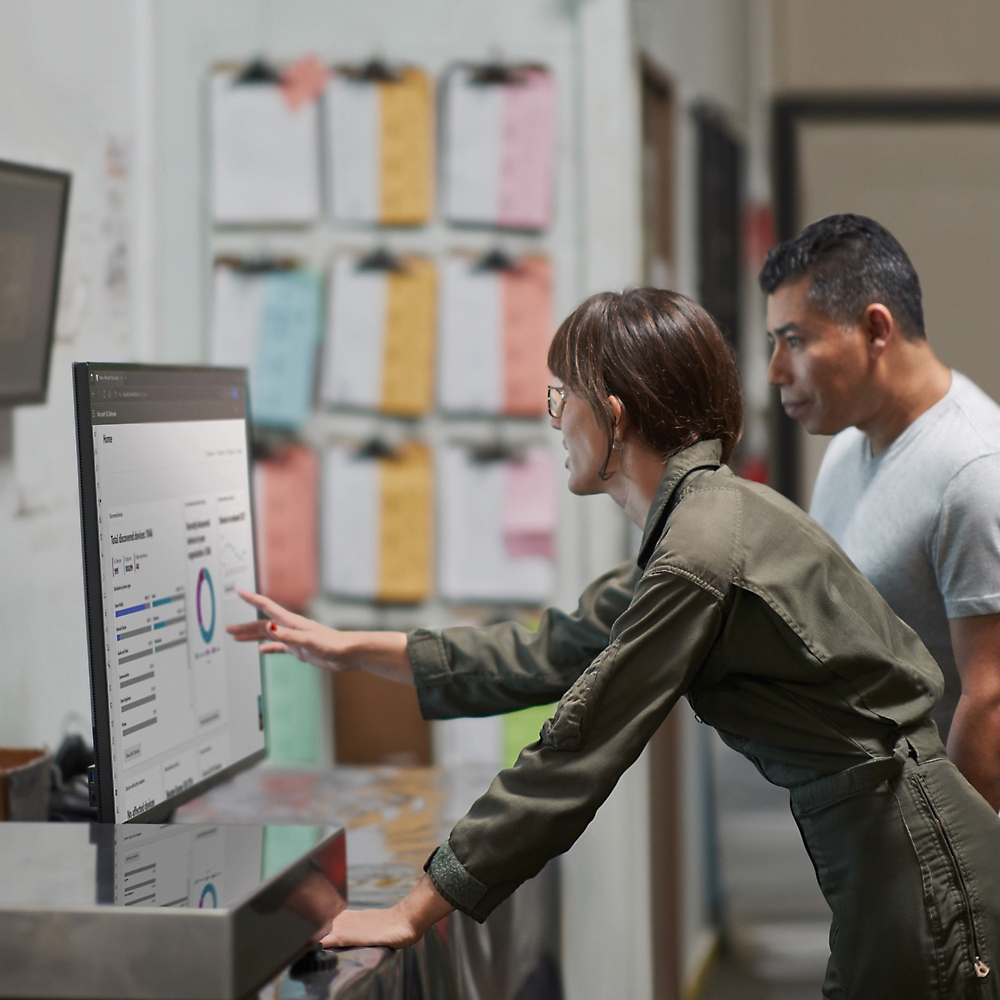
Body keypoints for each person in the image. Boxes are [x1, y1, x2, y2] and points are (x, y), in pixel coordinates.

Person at [230, 289, 1000, 998]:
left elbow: (583, 743)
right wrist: (345, 649)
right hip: (894, 850)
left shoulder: (698, 552)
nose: (553, 420)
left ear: (615, 413)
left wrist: (419, 905)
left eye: (558, 397)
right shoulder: (701, 523)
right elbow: (546, 654)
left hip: (918, 861)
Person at [761, 214, 1000, 811]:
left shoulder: (972, 472)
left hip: (945, 857)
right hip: (874, 832)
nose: (775, 371)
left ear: (874, 329)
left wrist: (955, 877)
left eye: (794, 340)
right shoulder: (846, 446)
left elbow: (991, 699)